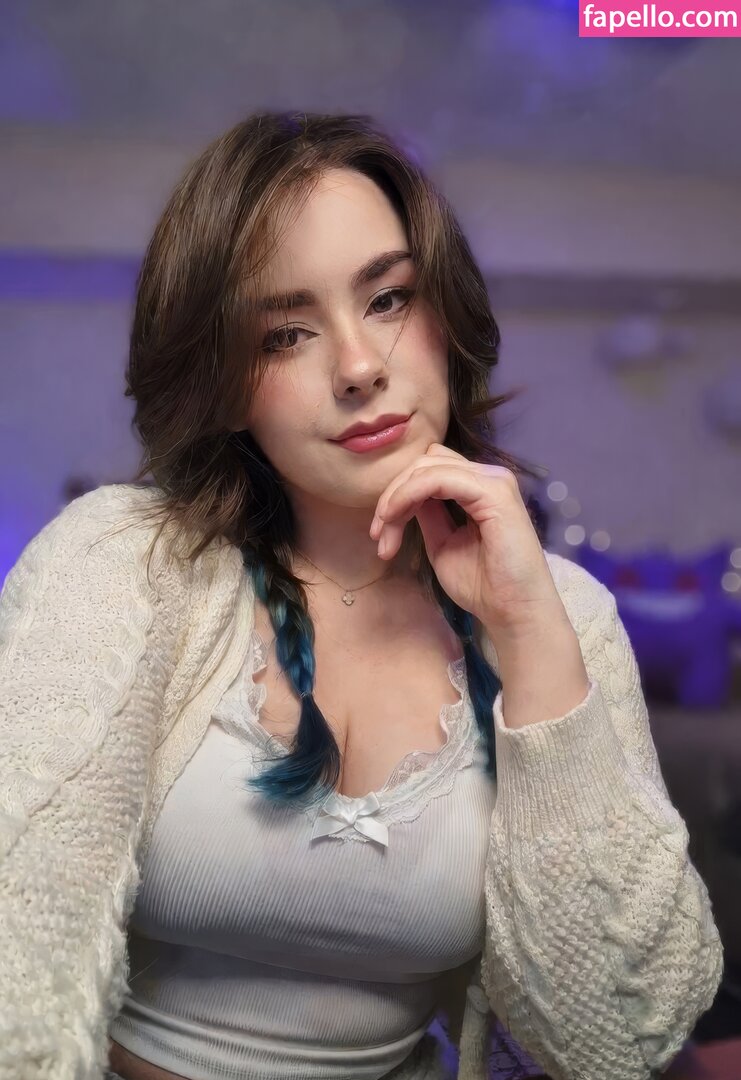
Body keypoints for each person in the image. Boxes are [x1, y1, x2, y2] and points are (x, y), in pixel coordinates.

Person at [0, 111, 724, 1080]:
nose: (357, 367)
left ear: (445, 315)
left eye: (387, 299)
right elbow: (16, 963)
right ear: (224, 382)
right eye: (286, 332)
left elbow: (617, 1042)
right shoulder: (121, 563)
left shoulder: (564, 615)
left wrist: (528, 637)